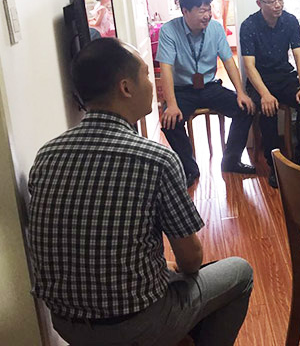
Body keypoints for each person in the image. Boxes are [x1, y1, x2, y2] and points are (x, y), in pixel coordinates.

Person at [28, 38, 253, 346]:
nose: (152, 85)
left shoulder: (47, 155)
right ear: (126, 87)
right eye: (147, 74)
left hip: (66, 324)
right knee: (239, 273)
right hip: (135, 325)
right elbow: (191, 260)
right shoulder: (155, 159)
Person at [157, 0, 256, 186]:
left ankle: (231, 160)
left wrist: (241, 92)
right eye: (202, 10)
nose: (207, 15)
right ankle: (189, 169)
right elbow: (165, 69)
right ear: (185, 11)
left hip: (210, 86)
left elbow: (228, 61)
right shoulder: (169, 31)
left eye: (209, 9)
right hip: (182, 90)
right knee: (170, 122)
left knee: (245, 108)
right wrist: (171, 104)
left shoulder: (216, 28)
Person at [240, 0, 300, 188]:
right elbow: (249, 67)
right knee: (268, 109)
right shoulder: (249, 26)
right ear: (259, 3)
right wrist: (265, 94)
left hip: (283, 76)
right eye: (272, 1)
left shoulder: (290, 21)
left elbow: (299, 56)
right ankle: (274, 165)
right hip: (259, 80)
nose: (278, 5)